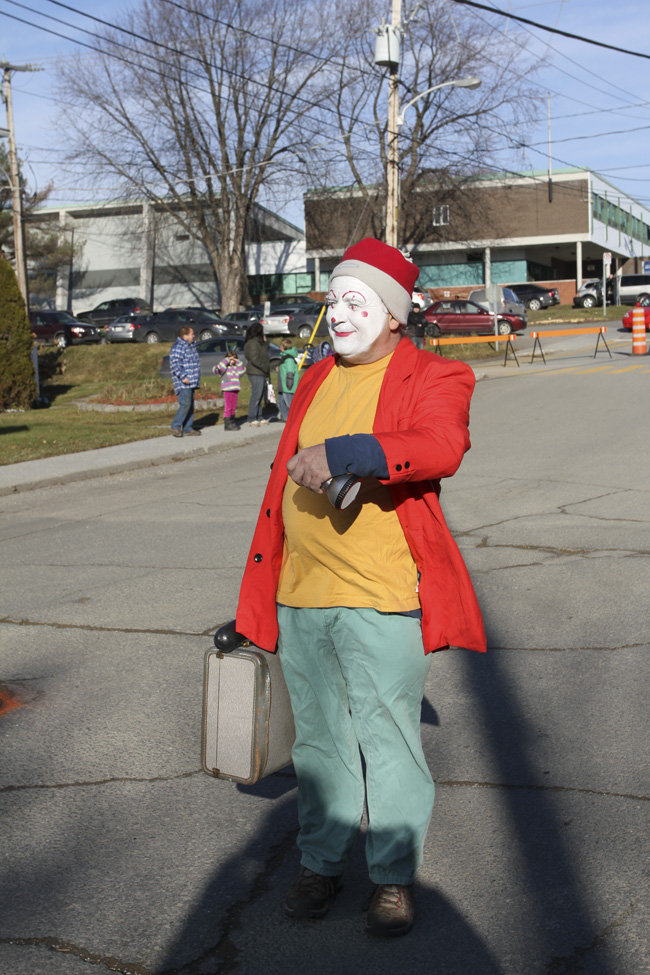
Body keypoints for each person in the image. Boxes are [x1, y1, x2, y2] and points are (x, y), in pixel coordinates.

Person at [234, 238, 486, 938]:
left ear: (395, 314)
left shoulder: (438, 374)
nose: (339, 314)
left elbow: (441, 445)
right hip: (301, 592)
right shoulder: (316, 375)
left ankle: (393, 877)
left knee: (388, 739)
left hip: (382, 596)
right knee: (318, 744)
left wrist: (352, 452)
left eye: (356, 301)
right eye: (334, 301)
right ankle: (320, 863)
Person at [169, 326, 201, 437]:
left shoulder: (191, 346)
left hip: (191, 381)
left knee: (190, 405)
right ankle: (175, 426)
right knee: (185, 404)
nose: (194, 336)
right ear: (185, 335)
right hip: (183, 382)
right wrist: (183, 377)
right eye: (192, 334)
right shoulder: (178, 347)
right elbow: (175, 364)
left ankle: (188, 428)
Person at [214, 343, 246, 431]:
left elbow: (243, 370)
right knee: (228, 407)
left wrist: (237, 361)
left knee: (233, 406)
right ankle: (227, 424)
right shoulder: (224, 368)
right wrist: (226, 360)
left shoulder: (236, 368)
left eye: (233, 359)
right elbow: (218, 368)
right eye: (230, 359)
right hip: (227, 389)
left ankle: (232, 421)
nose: (232, 361)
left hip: (235, 389)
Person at [244, 321, 270, 427]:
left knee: (260, 395)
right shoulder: (253, 343)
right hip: (255, 371)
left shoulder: (259, 342)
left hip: (260, 371)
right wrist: (264, 367)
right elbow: (254, 358)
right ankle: (252, 418)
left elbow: (265, 352)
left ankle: (259, 416)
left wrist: (266, 342)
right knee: (256, 395)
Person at [276, 337, 301, 422]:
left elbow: (290, 373)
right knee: (281, 401)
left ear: (284, 346)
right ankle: (285, 417)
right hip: (282, 385)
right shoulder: (284, 356)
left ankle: (296, 418)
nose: (280, 347)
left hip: (287, 385)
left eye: (280, 346)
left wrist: (289, 385)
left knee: (289, 402)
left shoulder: (289, 358)